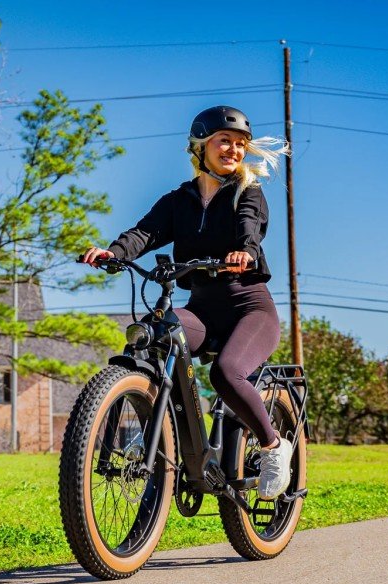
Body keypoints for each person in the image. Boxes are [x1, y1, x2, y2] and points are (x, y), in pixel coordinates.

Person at [80, 105, 293, 500]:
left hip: (249, 309)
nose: (233, 149)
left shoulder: (248, 192)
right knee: (153, 335)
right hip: (202, 310)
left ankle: (272, 447)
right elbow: (145, 232)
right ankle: (165, 439)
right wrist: (114, 253)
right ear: (201, 147)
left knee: (226, 374)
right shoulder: (180, 200)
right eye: (224, 141)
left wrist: (244, 251)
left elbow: (251, 226)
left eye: (240, 144)